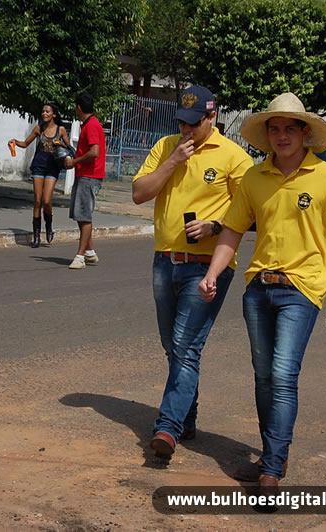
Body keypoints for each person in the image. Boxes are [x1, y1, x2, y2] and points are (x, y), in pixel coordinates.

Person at [198, 92, 326, 490]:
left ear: (305, 132)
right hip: (258, 288)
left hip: (301, 290)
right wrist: (212, 273)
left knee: (283, 374)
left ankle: (271, 469)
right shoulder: (255, 178)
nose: (282, 135)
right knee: (263, 378)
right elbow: (233, 230)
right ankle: (272, 453)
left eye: (290, 128)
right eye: (274, 129)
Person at [131, 85, 253, 459]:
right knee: (173, 346)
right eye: (182, 123)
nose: (186, 130)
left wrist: (215, 226)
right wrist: (173, 162)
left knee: (185, 346)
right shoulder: (166, 148)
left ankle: (167, 428)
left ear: (212, 117)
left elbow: (251, 213)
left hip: (207, 267)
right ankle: (186, 418)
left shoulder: (234, 158)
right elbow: (139, 193)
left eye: (194, 123)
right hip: (165, 260)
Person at [9, 103, 71, 248]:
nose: (44, 113)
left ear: (54, 114)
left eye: (47, 111)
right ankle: (36, 236)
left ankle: (48, 225)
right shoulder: (39, 128)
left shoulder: (60, 130)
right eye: (43, 111)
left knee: (47, 201)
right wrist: (15, 142)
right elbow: (25, 143)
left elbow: (69, 148)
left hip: (52, 167)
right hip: (39, 165)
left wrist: (60, 144)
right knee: (37, 200)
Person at [64, 94, 106, 269]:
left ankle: (80, 256)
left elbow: (94, 152)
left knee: (84, 215)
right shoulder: (89, 125)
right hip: (85, 175)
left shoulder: (92, 126)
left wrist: (74, 161)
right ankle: (89, 252)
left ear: (79, 108)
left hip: (90, 176)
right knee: (80, 214)